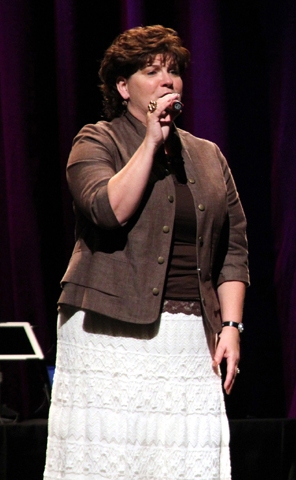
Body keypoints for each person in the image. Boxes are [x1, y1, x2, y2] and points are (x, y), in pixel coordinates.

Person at [43, 25, 249, 480]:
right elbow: (107, 210)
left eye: (174, 72)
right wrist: (151, 142)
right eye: (152, 70)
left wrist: (231, 327)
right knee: (110, 461)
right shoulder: (96, 140)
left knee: (184, 461)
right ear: (122, 86)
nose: (167, 80)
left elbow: (232, 249)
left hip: (190, 335)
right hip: (107, 331)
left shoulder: (208, 155)